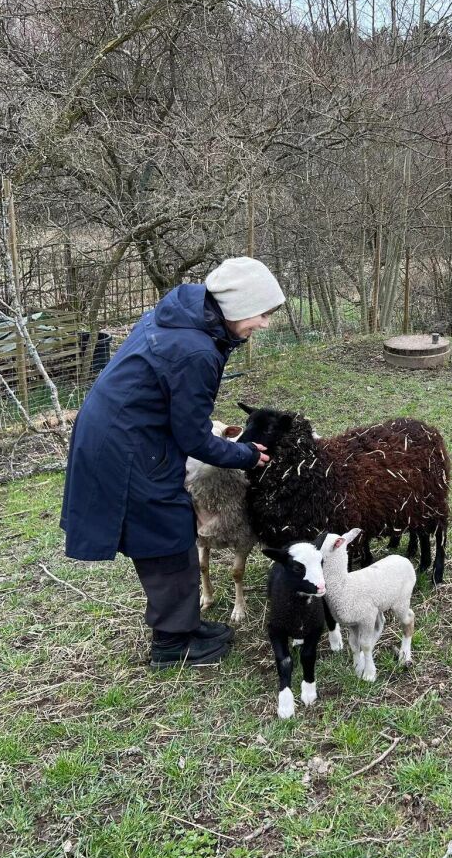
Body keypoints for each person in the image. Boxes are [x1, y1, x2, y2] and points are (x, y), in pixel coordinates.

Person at [60, 256, 284, 668]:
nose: (265, 324)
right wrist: (246, 455)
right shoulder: (194, 349)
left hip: (134, 435)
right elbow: (194, 435)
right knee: (161, 537)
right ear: (236, 306)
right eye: (263, 313)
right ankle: (170, 645)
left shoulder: (189, 322)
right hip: (126, 446)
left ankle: (184, 626)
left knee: (177, 529)